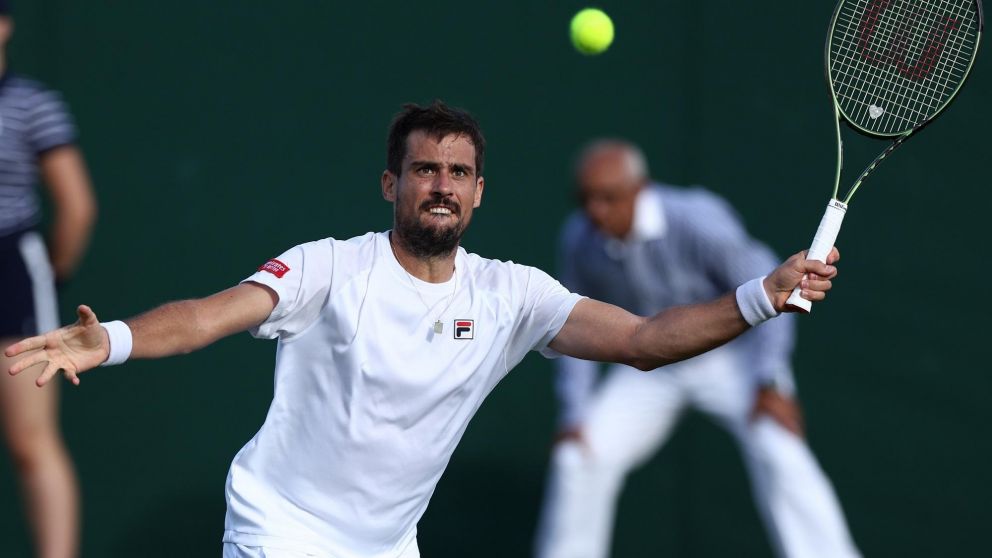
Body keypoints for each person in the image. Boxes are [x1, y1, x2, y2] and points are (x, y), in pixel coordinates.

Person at [5, 101, 837, 558]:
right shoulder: (329, 267)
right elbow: (208, 317)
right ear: (390, 184)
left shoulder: (515, 295)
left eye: (458, 173)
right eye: (424, 170)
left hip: (388, 544)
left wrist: (760, 296)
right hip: (282, 529)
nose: (441, 185)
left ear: (479, 195)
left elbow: (646, 341)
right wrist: (106, 338)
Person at [533, 140, 859, 558]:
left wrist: (771, 380)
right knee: (576, 457)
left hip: (733, 356)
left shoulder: (696, 220)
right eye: (586, 199)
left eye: (608, 198)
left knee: (779, 448)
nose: (595, 210)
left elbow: (771, 291)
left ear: (640, 189)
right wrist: (574, 414)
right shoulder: (580, 237)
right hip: (649, 362)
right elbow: (572, 325)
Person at [0, 3, 97, 558]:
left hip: (13, 270)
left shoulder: (33, 104)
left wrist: (47, 277)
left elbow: (76, 207)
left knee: (30, 440)